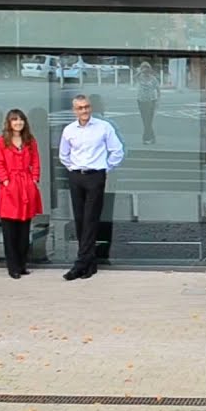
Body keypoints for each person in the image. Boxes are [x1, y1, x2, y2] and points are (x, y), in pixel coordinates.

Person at [58, 94, 124, 281]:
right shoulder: (69, 130)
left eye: (86, 107)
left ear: (91, 108)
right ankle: (89, 263)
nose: (84, 110)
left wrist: (105, 167)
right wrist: (73, 168)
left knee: (90, 218)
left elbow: (117, 150)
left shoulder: (103, 127)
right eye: (80, 108)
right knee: (80, 219)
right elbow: (64, 154)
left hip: (95, 176)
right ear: (74, 111)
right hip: (77, 175)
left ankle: (80, 264)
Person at [0, 108, 43, 280]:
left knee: (24, 229)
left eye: (21, 119)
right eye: (14, 120)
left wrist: (35, 178)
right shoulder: (1, 141)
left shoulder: (30, 141)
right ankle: (12, 266)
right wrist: (5, 181)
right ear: (9, 122)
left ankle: (22, 265)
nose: (18, 122)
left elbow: (36, 160)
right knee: (10, 230)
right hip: (10, 187)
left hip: (26, 185)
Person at [135, 61, 160, 145]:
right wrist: (140, 71)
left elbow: (158, 90)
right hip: (141, 101)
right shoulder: (140, 77)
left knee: (149, 121)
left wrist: (158, 101)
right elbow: (134, 78)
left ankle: (146, 138)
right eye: (143, 68)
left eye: (147, 68)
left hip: (151, 101)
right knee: (145, 120)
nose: (145, 70)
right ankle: (151, 138)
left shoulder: (153, 78)